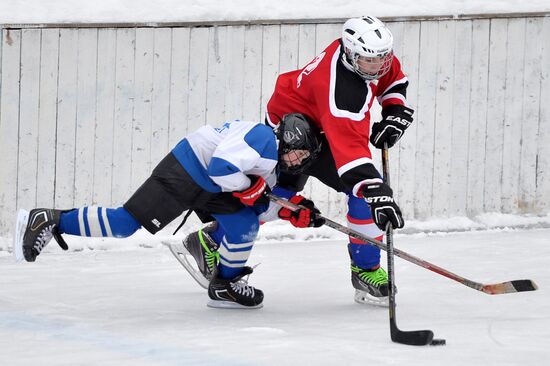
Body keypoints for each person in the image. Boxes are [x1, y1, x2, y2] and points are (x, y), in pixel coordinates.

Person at [182, 15, 413, 306]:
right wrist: (373, 187)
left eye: (382, 58)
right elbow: (350, 151)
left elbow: (391, 78)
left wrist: (394, 110)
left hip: (318, 124)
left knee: (362, 195)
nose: (378, 66)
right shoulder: (342, 94)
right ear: (351, 54)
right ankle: (211, 240)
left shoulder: (361, 54)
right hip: (292, 133)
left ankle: (365, 270)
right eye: (371, 61)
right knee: (278, 198)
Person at [14, 115, 324, 309]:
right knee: (125, 225)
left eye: (304, 157)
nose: (298, 161)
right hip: (187, 170)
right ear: (289, 140)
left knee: (245, 224)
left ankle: (225, 284)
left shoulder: (275, 165)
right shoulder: (262, 138)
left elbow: (258, 206)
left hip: (214, 188)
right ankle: (48, 219)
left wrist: (289, 212)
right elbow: (221, 168)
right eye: (299, 152)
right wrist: (250, 189)